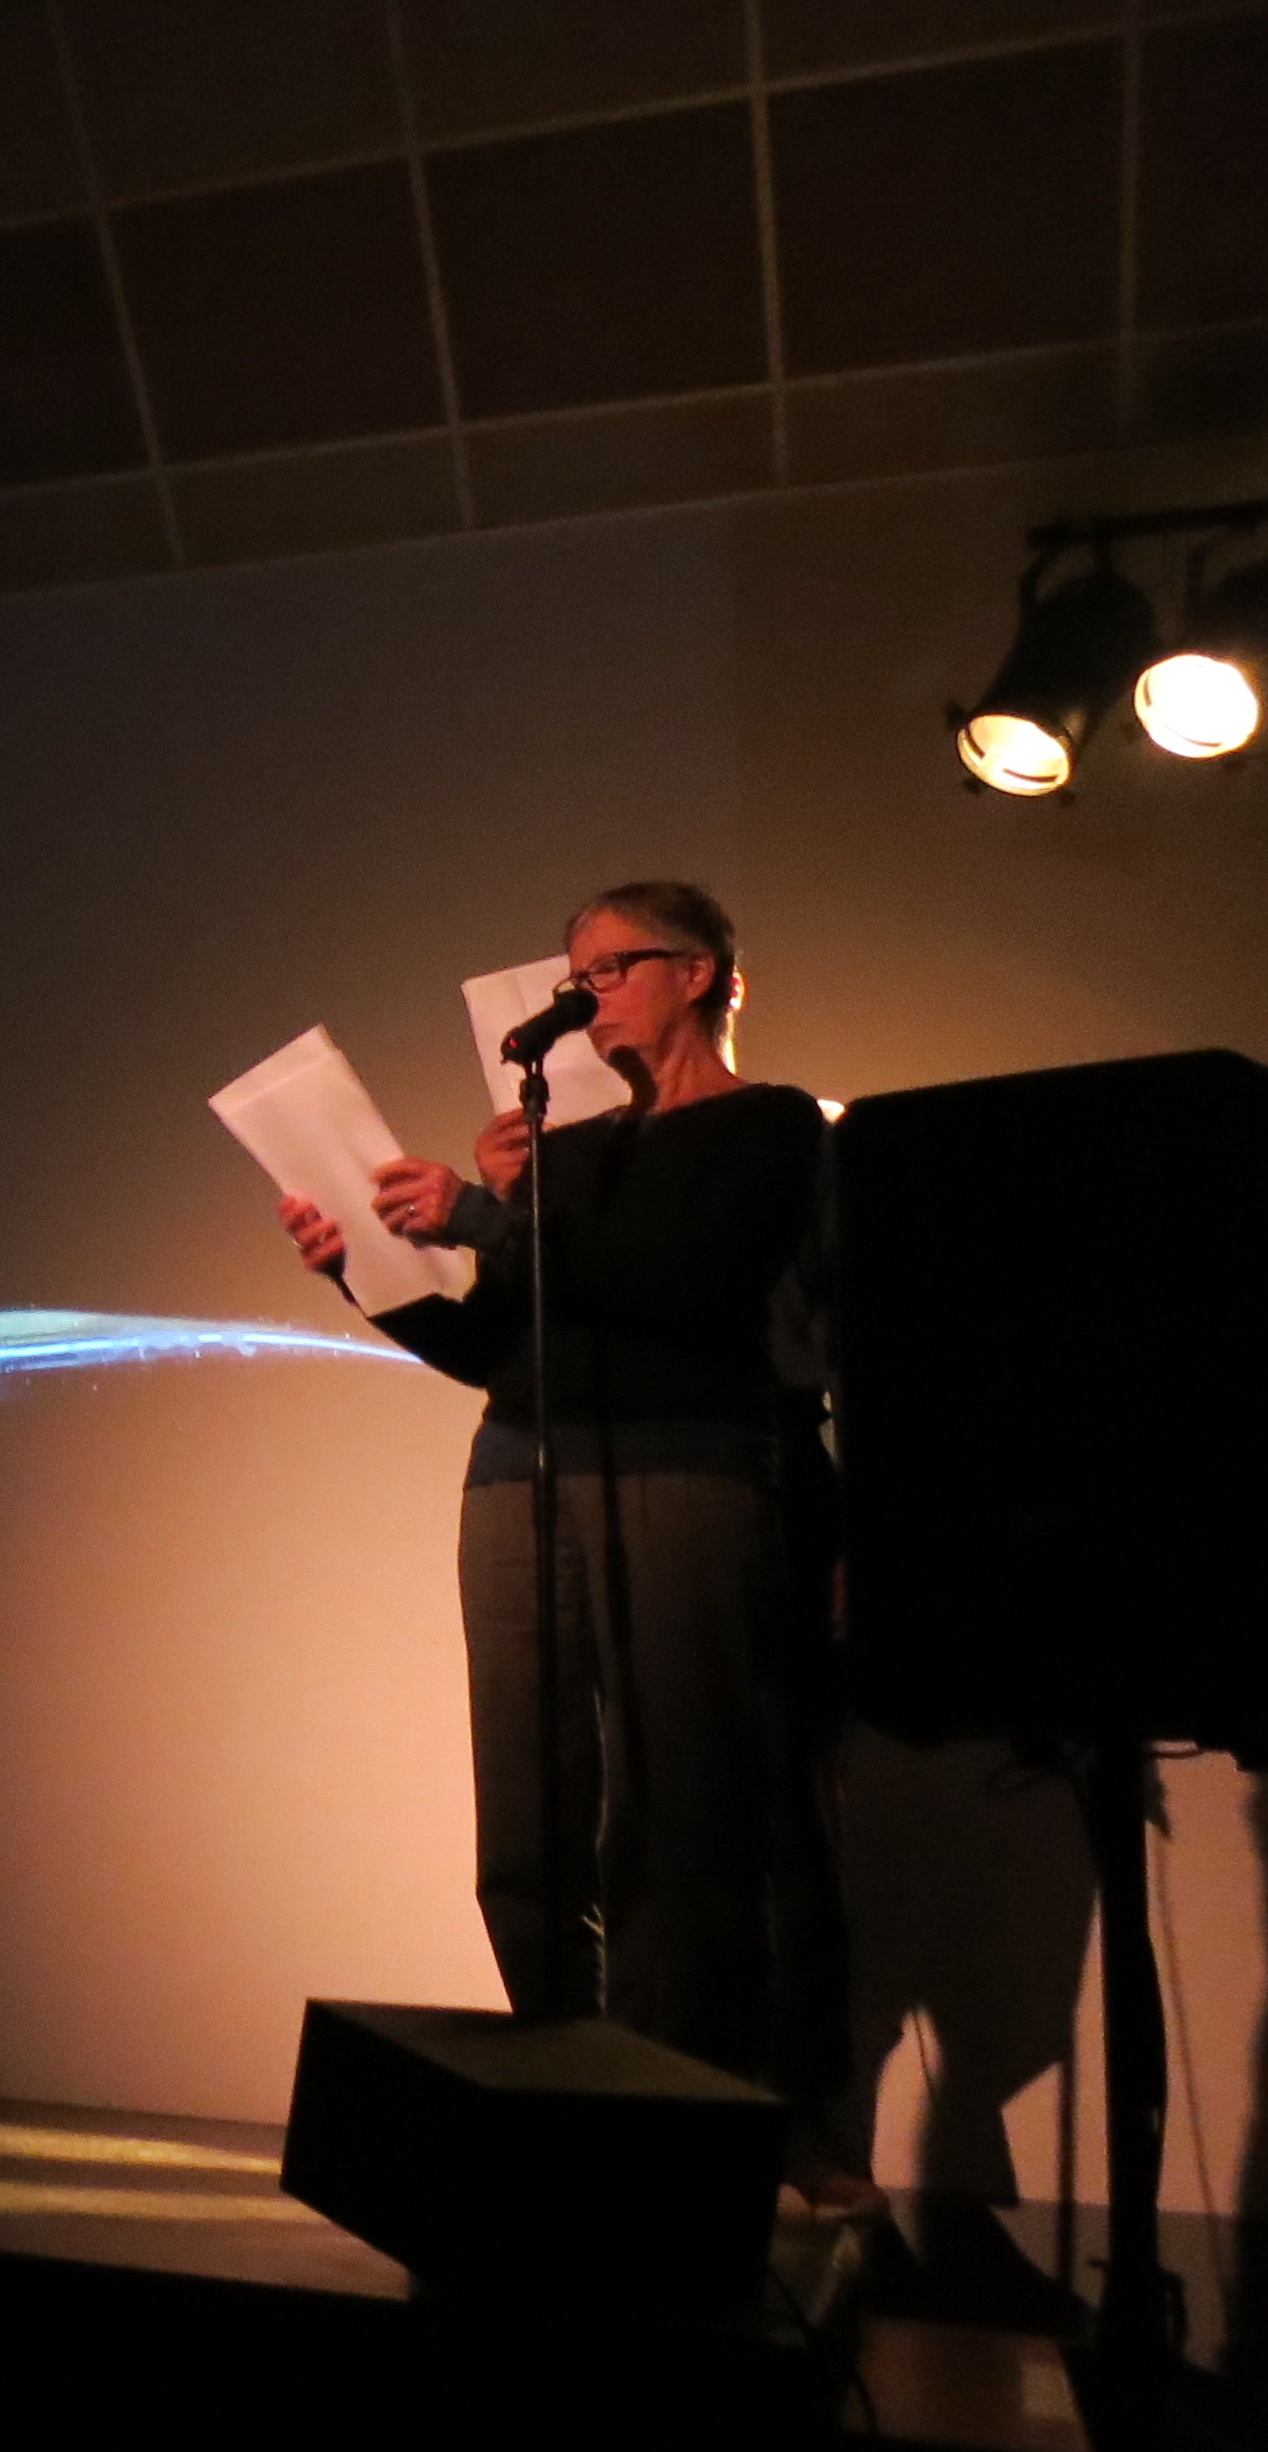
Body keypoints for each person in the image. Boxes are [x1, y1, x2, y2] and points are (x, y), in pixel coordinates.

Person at [275, 881, 875, 2223]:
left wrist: (492, 1217)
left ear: (702, 972)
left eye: (612, 966)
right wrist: (361, 1274)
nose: (583, 992)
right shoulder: (568, 1158)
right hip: (520, 1472)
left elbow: (692, 1287)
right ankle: (562, 2097)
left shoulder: (770, 1125)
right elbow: (498, 1348)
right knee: (527, 1819)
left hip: (685, 1465)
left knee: (680, 1818)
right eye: (574, 972)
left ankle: (690, 2121)